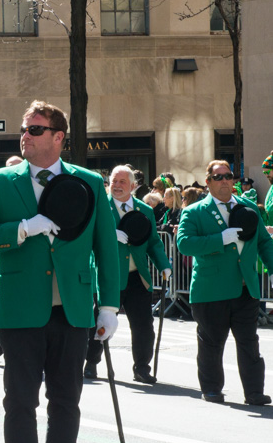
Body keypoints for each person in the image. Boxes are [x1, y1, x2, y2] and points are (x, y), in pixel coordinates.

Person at [0, 100, 119, 443]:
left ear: (57, 137)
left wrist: (108, 306)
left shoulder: (88, 182)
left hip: (72, 310)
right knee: (19, 405)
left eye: (34, 129)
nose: (25, 136)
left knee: (66, 404)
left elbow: (107, 248)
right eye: (23, 129)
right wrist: (21, 229)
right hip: (19, 311)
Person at [176, 160, 273, 406]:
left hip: (245, 287)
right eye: (218, 177)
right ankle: (211, 389)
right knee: (211, 343)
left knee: (249, 343)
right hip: (211, 290)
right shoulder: (194, 211)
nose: (225, 181)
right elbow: (184, 243)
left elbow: (263, 242)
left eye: (229, 176)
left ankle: (254, 392)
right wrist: (219, 239)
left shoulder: (248, 206)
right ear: (208, 182)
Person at [83, 165, 171, 383]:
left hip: (137, 276)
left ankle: (142, 368)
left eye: (123, 182)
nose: (117, 186)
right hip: (108, 275)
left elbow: (153, 242)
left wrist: (164, 265)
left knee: (143, 325)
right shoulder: (99, 207)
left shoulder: (145, 210)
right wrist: (109, 234)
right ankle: (91, 363)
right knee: (100, 321)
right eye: (114, 181)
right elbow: (86, 235)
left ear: (133, 186)